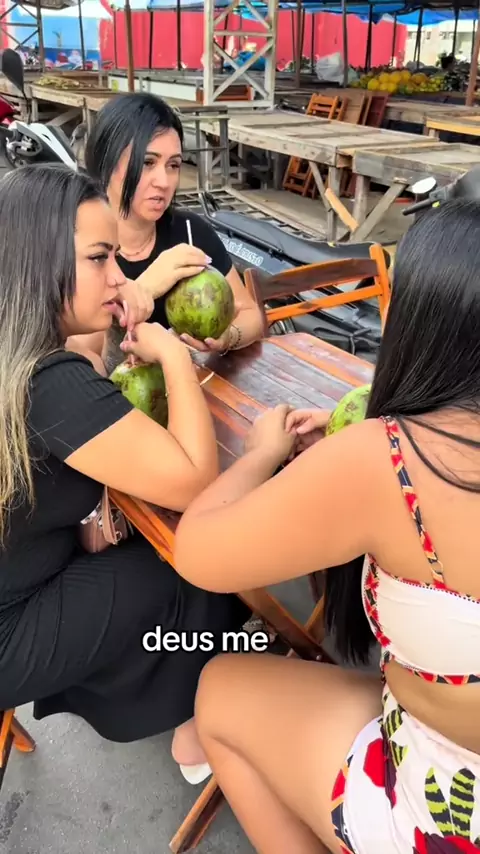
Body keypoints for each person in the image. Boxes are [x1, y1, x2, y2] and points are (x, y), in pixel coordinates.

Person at [173, 201, 480, 852]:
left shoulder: (391, 459)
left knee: (220, 689)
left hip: (451, 806)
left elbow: (197, 551)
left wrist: (262, 454)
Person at [0, 164, 249, 782]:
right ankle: (197, 720)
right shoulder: (47, 381)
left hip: (23, 582)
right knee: (191, 563)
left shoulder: (20, 352)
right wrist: (171, 356)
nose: (117, 276)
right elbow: (194, 478)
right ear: (37, 262)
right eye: (98, 258)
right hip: (10, 629)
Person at [70, 92, 264, 375]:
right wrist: (142, 290)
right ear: (107, 163)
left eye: (173, 165)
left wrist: (227, 337)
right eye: (147, 163)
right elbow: (85, 363)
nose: (163, 182)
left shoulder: (190, 232)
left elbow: (250, 314)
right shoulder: (81, 246)